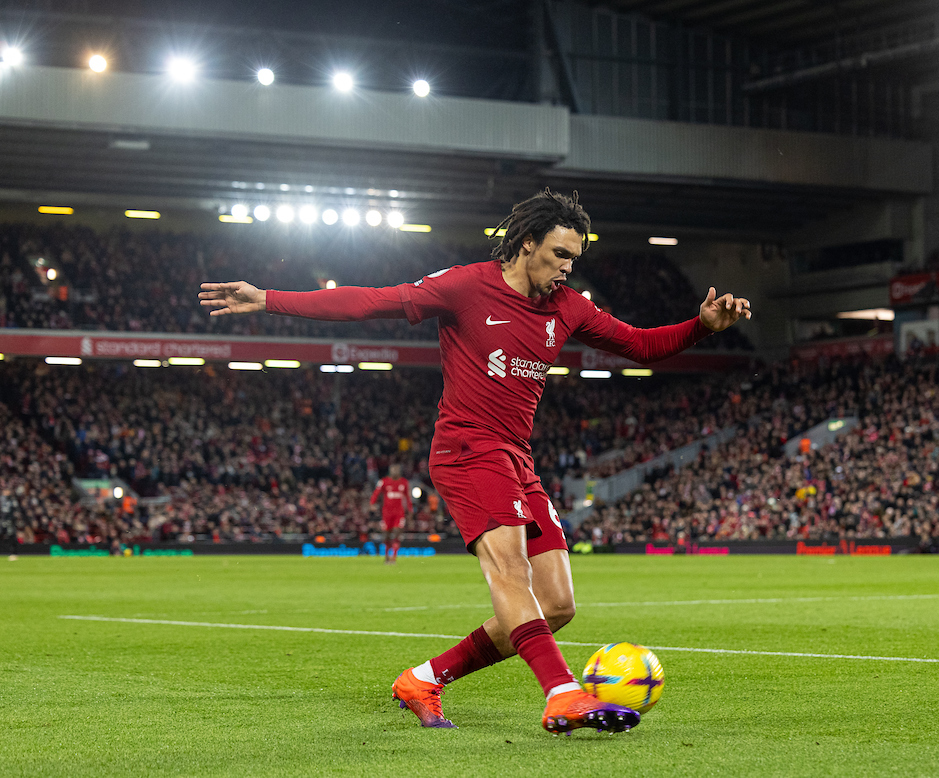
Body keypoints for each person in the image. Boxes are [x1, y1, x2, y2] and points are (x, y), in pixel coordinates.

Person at [198, 190, 751, 735]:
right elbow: (371, 301)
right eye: (560, 255)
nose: (567, 268)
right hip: (466, 448)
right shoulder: (466, 286)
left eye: (574, 259)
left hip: (517, 456)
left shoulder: (567, 306)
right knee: (511, 572)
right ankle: (562, 694)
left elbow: (640, 345)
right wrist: (268, 298)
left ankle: (423, 678)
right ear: (527, 244)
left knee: (556, 604)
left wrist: (701, 324)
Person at [370, 463, 412, 564]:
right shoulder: (384, 481)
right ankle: (386, 557)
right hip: (387, 514)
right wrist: (372, 503)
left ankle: (394, 557)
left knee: (397, 533)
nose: (394, 471)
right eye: (393, 470)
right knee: (386, 536)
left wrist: (410, 510)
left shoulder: (404, 482)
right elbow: (376, 493)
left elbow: (408, 498)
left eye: (396, 470)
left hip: (399, 513)